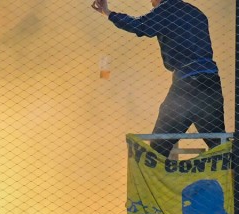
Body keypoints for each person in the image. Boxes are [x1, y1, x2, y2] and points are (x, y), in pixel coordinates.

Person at [91, 0, 225, 158]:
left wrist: (108, 13)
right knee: (218, 142)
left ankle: (159, 178)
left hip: (188, 82)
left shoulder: (166, 9)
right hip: (210, 79)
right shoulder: (197, 13)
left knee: (159, 145)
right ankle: (238, 177)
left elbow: (141, 26)